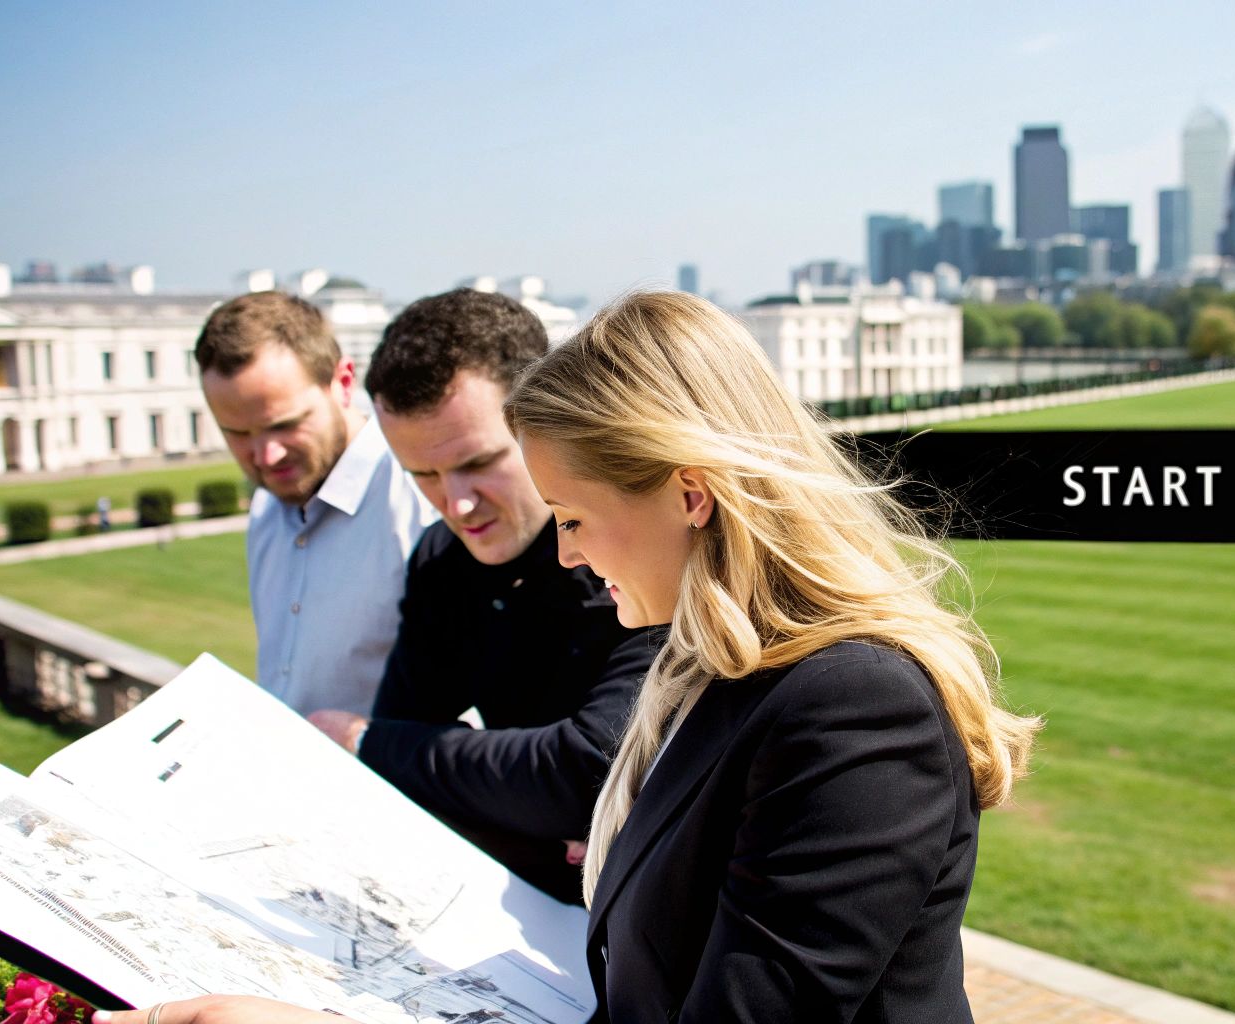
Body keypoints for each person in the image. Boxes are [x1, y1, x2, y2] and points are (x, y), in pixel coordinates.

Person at [105, 292, 1038, 1024]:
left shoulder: (855, 706)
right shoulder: (712, 672)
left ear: (691, 494)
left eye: (576, 519)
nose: (567, 556)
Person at [305, 288, 654, 905]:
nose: (456, 504)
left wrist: (363, 738)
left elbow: (586, 771)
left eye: (480, 461)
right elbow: (401, 766)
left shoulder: (631, 544)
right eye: (424, 475)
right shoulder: (443, 559)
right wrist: (522, 805)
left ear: (548, 420)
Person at [197, 291, 435, 717]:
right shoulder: (266, 508)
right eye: (237, 432)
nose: (264, 457)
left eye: (284, 425)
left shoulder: (422, 501)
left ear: (343, 383)